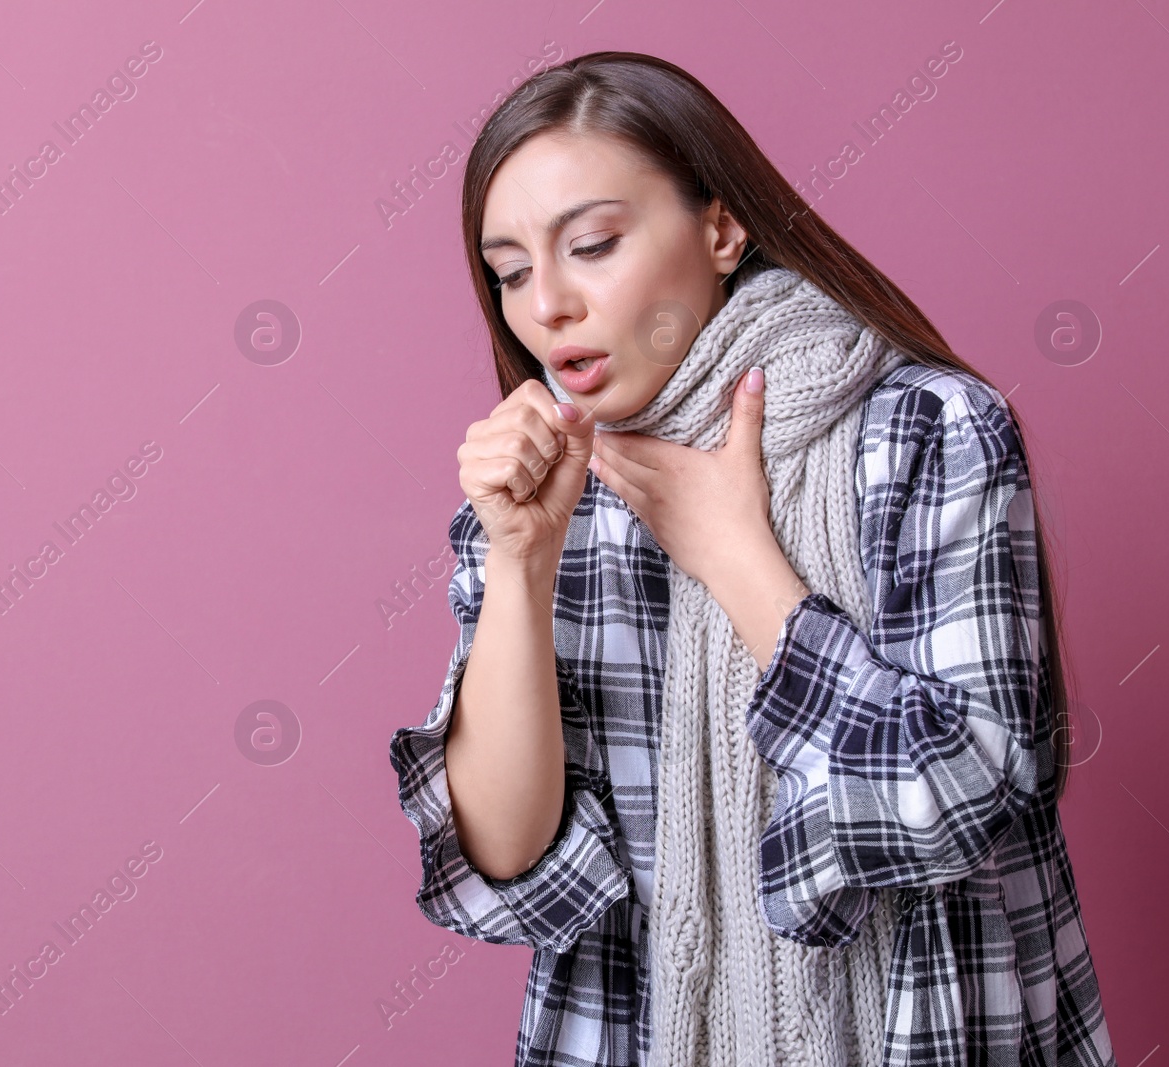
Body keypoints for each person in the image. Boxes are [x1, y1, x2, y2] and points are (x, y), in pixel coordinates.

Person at [389, 51, 1117, 1067]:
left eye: (591, 244)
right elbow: (511, 860)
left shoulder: (924, 430)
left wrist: (738, 560)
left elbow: (956, 796)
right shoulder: (543, 496)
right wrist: (519, 559)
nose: (544, 304)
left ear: (720, 229)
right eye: (508, 271)